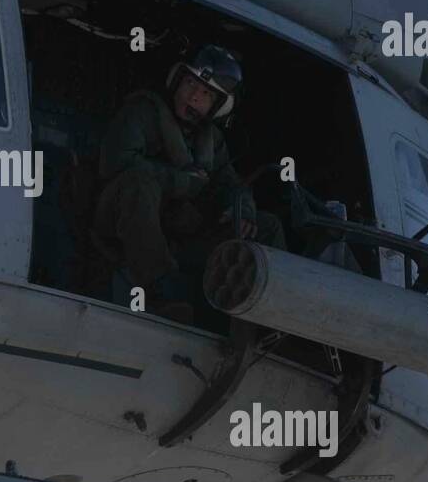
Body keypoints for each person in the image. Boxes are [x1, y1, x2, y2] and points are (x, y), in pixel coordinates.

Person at [92, 45, 285, 319]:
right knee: (138, 183)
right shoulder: (142, 112)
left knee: (266, 227)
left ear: (217, 106)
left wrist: (243, 211)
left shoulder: (212, 142)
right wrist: (181, 182)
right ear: (177, 80)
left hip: (179, 235)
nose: (194, 96)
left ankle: (270, 315)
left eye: (206, 94)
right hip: (122, 223)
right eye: (190, 84)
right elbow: (115, 164)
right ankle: (160, 290)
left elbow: (232, 185)